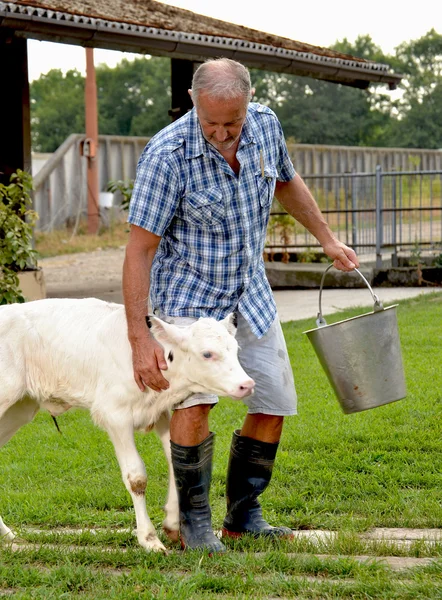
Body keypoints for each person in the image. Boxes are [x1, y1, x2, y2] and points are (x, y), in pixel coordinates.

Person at [123, 58, 359, 553]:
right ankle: (193, 524)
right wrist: (140, 336)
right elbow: (139, 249)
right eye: (212, 123)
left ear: (248, 103)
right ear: (194, 102)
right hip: (188, 298)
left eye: (232, 122)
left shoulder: (266, 126)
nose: (223, 133)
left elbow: (287, 182)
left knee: (273, 400)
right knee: (195, 402)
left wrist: (328, 239)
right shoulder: (166, 155)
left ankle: (243, 515)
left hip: (249, 292)